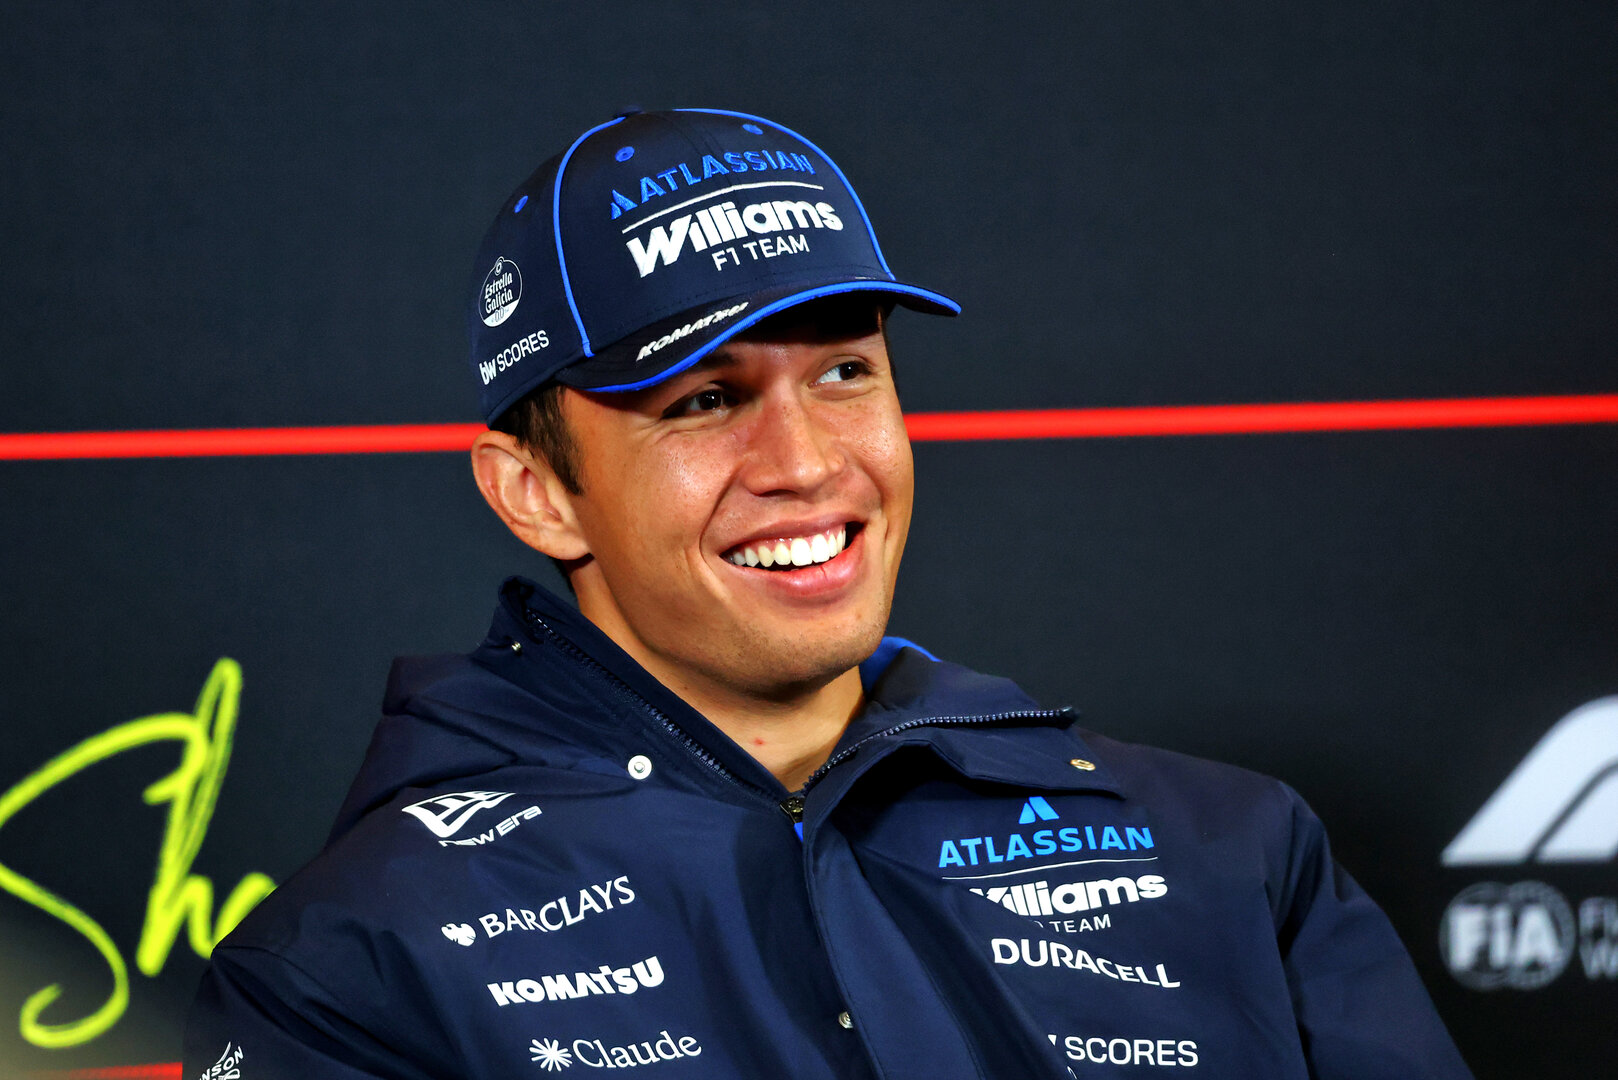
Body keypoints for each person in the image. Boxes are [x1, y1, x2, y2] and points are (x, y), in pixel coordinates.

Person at [184, 108, 1473, 1079]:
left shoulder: (1233, 853)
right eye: (704, 400)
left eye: (847, 372)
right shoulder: (353, 970)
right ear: (536, 493)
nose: (805, 464)